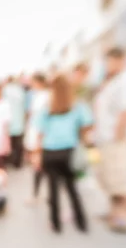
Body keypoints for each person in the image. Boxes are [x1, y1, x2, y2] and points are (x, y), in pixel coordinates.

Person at [34, 75, 91, 233]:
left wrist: (37, 154)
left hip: (50, 152)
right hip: (68, 151)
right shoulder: (77, 106)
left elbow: (40, 133)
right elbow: (87, 126)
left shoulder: (48, 108)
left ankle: (55, 223)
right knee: (72, 188)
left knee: (53, 190)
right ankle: (81, 222)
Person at [94, 47, 126, 234]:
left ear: (121, 61)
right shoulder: (111, 82)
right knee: (109, 179)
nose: (107, 65)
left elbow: (125, 112)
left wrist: (117, 136)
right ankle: (114, 213)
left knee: (120, 180)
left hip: (115, 140)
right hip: (105, 137)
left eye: (110, 61)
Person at [24, 73, 49, 204]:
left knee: (40, 165)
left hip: (40, 136)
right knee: (39, 166)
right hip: (36, 135)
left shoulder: (45, 96)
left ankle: (37, 195)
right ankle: (38, 194)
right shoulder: (37, 96)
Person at [2, 76, 26, 168]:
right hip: (19, 121)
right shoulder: (20, 90)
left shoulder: (5, 90)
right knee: (18, 144)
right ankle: (18, 162)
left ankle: (11, 160)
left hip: (9, 122)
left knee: (10, 143)